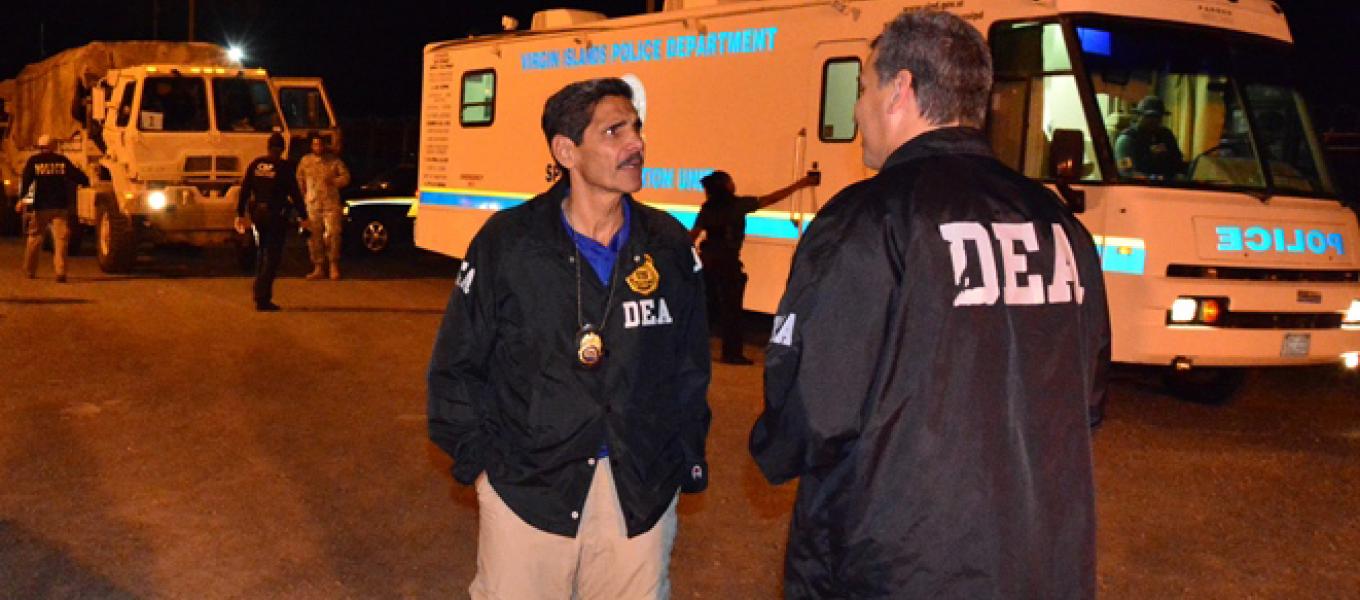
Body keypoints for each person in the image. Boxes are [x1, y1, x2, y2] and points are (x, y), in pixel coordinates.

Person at [749, 10, 1110, 598]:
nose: (858, 110)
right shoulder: (1059, 227)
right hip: (1041, 557)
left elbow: (816, 409)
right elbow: (1085, 400)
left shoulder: (869, 218)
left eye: (865, 88)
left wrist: (776, 445)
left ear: (901, 90)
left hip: (899, 559)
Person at [428, 77, 711, 599]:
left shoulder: (668, 243)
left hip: (638, 493)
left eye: (637, 129)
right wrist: (483, 469)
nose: (636, 144)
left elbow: (690, 366)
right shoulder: (508, 244)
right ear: (567, 151)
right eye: (613, 131)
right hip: (528, 493)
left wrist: (681, 458)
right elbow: (456, 365)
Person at [689, 170, 817, 364]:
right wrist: (800, 184)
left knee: (707, 308)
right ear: (725, 186)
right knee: (732, 311)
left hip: (707, 261)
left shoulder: (707, 208)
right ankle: (731, 353)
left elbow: (694, 234)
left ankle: (693, 351)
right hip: (728, 264)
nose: (733, 184)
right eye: (730, 181)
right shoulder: (738, 205)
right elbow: (771, 198)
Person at [235, 133, 309, 311]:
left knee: (262, 252)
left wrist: (240, 213)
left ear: (268, 147)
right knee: (272, 256)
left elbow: (245, 189)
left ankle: (259, 290)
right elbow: (295, 193)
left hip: (257, 214)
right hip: (275, 215)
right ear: (282, 149)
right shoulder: (283, 167)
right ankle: (262, 297)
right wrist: (304, 216)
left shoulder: (256, 164)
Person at [18, 134, 88, 282]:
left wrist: (22, 200)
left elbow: (26, 181)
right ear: (53, 146)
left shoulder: (34, 161)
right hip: (60, 206)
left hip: (41, 206)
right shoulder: (61, 161)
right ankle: (60, 272)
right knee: (61, 241)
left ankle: (30, 270)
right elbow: (76, 175)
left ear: (40, 146)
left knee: (34, 239)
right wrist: (86, 180)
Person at [295, 133, 350, 280]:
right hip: (312, 204)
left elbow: (346, 177)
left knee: (333, 234)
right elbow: (299, 180)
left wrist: (334, 181)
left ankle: (333, 264)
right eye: (315, 144)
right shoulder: (305, 161)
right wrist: (301, 200)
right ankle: (318, 266)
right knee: (314, 236)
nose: (318, 147)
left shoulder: (333, 161)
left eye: (320, 144)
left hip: (330, 203)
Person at [1114, 95, 1184, 179]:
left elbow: (1178, 162)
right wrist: (1153, 178)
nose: (1154, 121)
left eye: (1158, 117)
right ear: (1139, 116)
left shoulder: (1166, 135)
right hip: (1139, 187)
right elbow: (1126, 172)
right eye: (1149, 117)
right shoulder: (1126, 140)